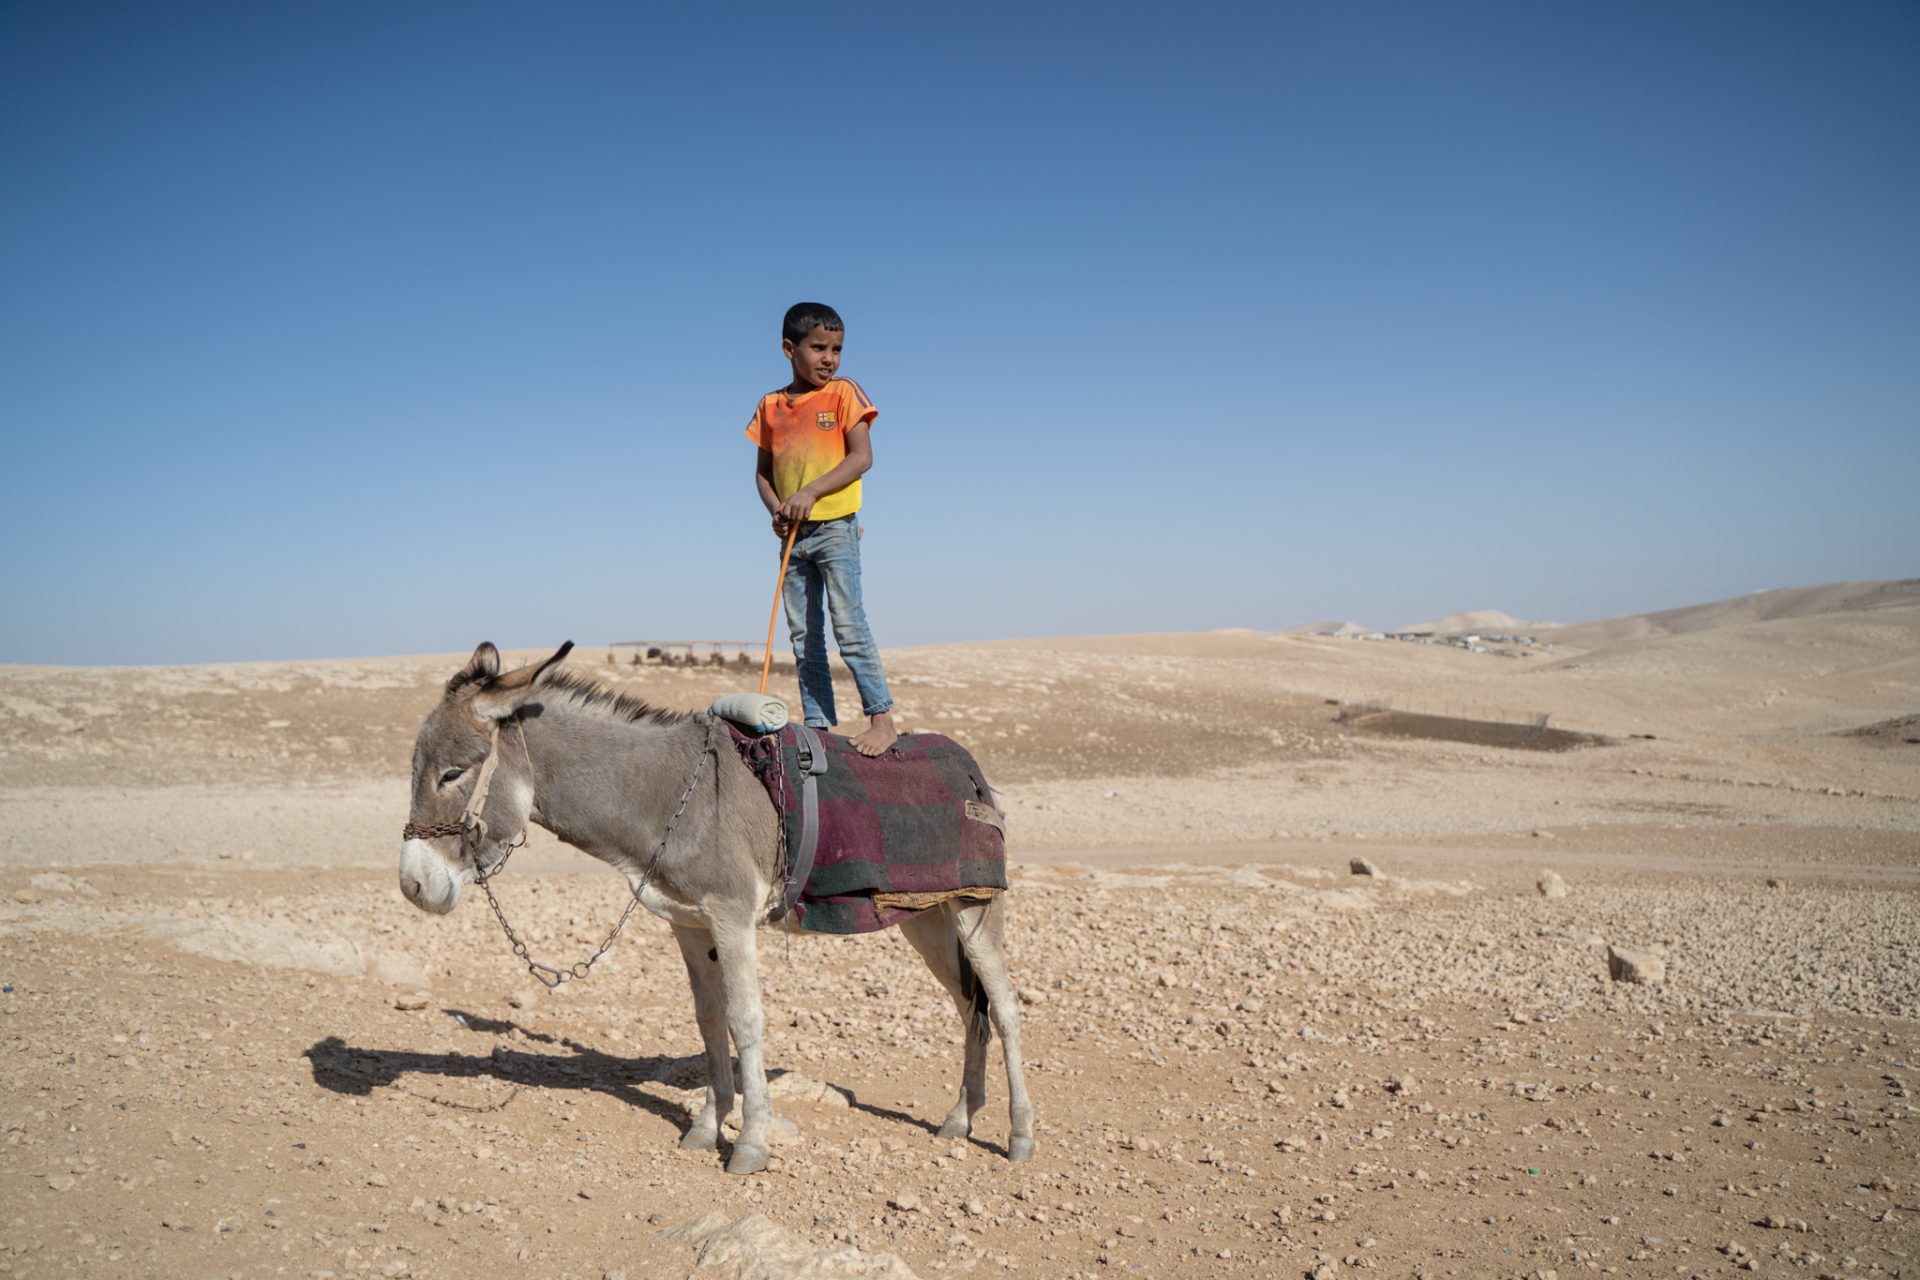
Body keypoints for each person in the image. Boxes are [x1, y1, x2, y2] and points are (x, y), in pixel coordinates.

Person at [745, 302, 898, 756]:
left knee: (848, 624)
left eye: (837, 348)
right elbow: (762, 474)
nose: (829, 358)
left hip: (835, 529)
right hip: (793, 538)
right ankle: (818, 726)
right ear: (789, 349)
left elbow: (861, 458)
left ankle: (883, 719)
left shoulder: (844, 393)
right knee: (804, 634)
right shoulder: (770, 406)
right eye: (818, 348)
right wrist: (776, 508)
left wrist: (809, 492)